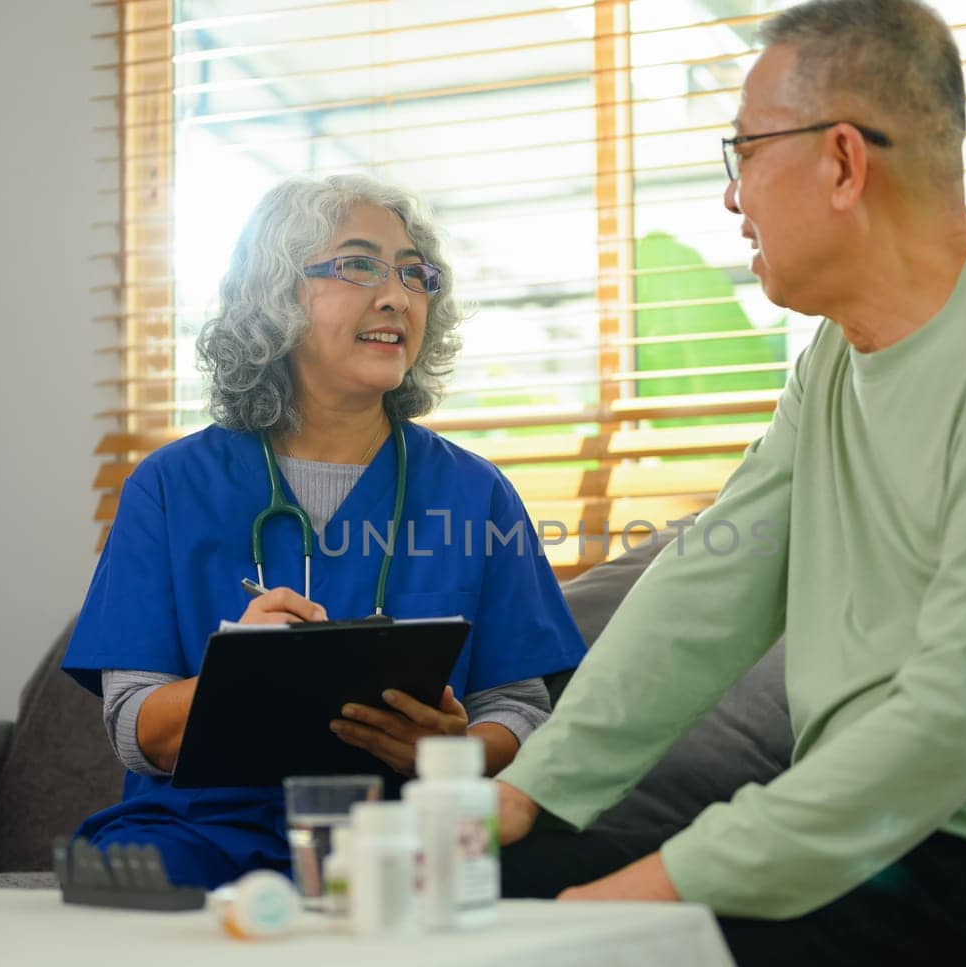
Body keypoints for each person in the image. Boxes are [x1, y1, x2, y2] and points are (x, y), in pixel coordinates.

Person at [494, 1, 966, 967]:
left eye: (743, 152)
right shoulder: (831, 363)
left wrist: (645, 893)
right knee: (481, 886)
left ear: (839, 164)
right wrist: (526, 792)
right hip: (875, 837)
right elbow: (709, 584)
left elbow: (949, 720)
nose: (731, 197)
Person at [62, 174, 585, 890]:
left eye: (413, 273)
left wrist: (453, 749)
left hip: (408, 825)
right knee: (130, 874)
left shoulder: (475, 492)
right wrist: (236, 669)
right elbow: (134, 728)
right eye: (358, 265)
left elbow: (520, 709)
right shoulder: (170, 487)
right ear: (275, 296)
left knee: (562, 868)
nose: (397, 295)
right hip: (212, 825)